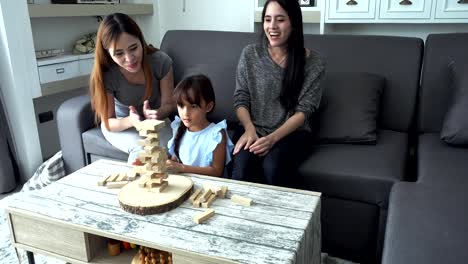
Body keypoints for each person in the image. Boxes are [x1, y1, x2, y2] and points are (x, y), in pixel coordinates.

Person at [232, 0, 325, 187]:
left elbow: (304, 111)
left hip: (293, 134)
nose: (272, 27)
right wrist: (249, 129)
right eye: (267, 20)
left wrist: (272, 139)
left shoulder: (314, 63)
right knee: (241, 170)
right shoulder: (250, 54)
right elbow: (241, 98)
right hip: (253, 128)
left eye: (280, 20)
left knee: (273, 167)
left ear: (294, 23)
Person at [90, 13, 175, 165]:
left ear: (141, 41)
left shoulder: (160, 62)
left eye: (133, 48)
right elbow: (108, 122)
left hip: (156, 121)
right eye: (119, 53)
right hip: (122, 125)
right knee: (141, 151)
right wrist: (131, 120)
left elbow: (169, 105)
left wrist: (156, 113)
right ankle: (135, 186)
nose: (129, 59)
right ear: (108, 54)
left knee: (166, 149)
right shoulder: (107, 74)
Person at [166, 75, 234, 177]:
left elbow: (216, 171)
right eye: (181, 106)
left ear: (208, 106)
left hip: (209, 188)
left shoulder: (216, 134)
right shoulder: (178, 128)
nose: (185, 113)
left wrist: (182, 168)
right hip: (184, 185)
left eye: (193, 106)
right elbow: (174, 161)